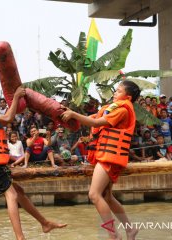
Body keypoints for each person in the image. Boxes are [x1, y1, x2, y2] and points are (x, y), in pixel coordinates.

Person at [0, 87, 66, 240]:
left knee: (19, 192)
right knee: (11, 194)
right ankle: (20, 237)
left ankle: (44, 223)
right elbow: (7, 119)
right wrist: (17, 96)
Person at [60, 80, 140, 240]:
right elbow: (93, 117)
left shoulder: (122, 110)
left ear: (128, 97)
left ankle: (113, 235)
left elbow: (96, 122)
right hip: (106, 155)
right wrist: (70, 113)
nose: (115, 93)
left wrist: (74, 114)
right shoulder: (113, 109)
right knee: (107, 196)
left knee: (94, 195)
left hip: (110, 158)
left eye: (118, 91)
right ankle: (130, 229)